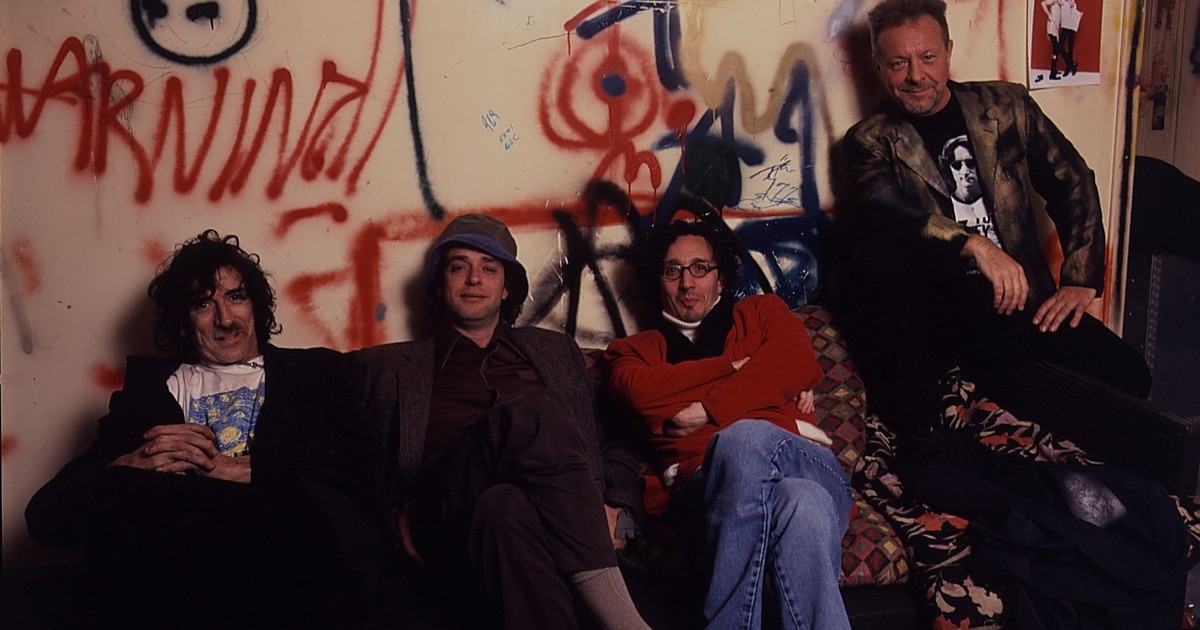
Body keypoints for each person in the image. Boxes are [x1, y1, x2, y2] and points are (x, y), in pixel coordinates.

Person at [24, 230, 384, 630]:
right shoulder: (144, 396)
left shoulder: (314, 373)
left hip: (278, 560)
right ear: (183, 322)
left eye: (236, 297)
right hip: (174, 571)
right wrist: (127, 464)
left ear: (256, 307)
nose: (225, 319)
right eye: (203, 304)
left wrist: (244, 469)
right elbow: (46, 519)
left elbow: (365, 471)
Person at [839, 0, 1150, 437]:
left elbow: (1072, 180)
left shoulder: (1007, 106)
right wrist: (976, 245)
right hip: (946, 313)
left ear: (949, 51)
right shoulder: (869, 141)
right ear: (878, 66)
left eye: (927, 57)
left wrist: (1081, 276)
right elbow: (889, 212)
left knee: (1131, 375)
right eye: (898, 63)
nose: (916, 75)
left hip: (1026, 306)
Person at [353, 214, 649, 629]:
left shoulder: (556, 352)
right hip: (444, 513)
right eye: (459, 267)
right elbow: (352, 466)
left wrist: (621, 509)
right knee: (532, 412)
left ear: (507, 286)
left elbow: (617, 437)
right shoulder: (387, 368)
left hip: (537, 524)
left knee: (504, 507)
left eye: (489, 268)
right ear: (439, 284)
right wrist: (393, 517)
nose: (474, 279)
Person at [605, 214, 853, 630]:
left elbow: (796, 361)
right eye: (672, 271)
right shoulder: (634, 350)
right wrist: (742, 369)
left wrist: (706, 409)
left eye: (700, 268)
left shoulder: (760, 312)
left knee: (743, 438)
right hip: (705, 490)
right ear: (657, 281)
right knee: (802, 504)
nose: (687, 283)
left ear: (720, 279)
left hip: (804, 461)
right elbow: (644, 395)